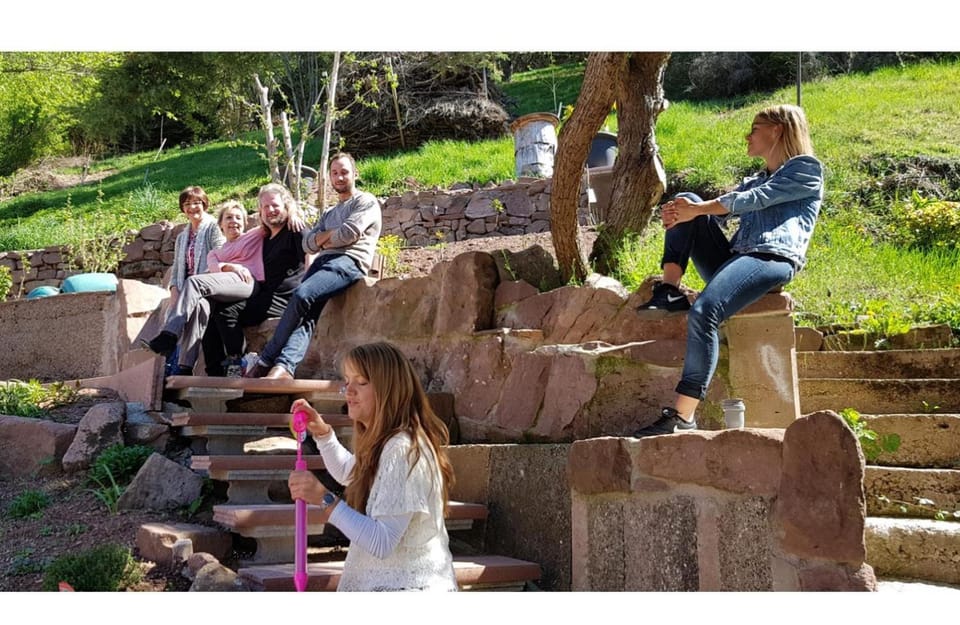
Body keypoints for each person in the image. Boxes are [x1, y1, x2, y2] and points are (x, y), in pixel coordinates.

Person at [633, 104, 823, 437]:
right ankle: (669, 291)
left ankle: (683, 414)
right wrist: (681, 213)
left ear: (777, 130)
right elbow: (723, 208)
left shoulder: (805, 169)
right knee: (686, 199)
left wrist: (696, 210)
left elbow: (757, 199)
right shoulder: (756, 177)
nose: (747, 136)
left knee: (705, 310)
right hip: (735, 258)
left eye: (754, 128)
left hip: (771, 258)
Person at [287, 341, 458, 591]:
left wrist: (324, 499)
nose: (349, 390)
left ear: (390, 390)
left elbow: (382, 541)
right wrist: (323, 435)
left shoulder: (402, 450)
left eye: (362, 381)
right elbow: (351, 473)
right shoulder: (389, 444)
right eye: (347, 380)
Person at [245, 153, 381, 380]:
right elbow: (308, 244)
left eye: (344, 172)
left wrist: (323, 238)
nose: (339, 177)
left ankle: (265, 360)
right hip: (323, 263)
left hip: (349, 262)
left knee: (302, 293)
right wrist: (327, 238)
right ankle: (285, 368)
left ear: (355, 174)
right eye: (335, 173)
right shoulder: (329, 212)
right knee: (307, 315)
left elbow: (348, 234)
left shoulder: (365, 202)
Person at [144, 201, 265, 375]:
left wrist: (294, 214)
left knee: (194, 281)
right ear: (221, 224)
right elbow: (214, 270)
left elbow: (274, 220)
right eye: (229, 217)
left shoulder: (253, 236)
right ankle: (185, 367)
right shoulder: (214, 253)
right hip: (225, 286)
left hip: (248, 282)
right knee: (200, 305)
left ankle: (169, 335)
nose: (234, 221)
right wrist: (229, 266)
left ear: (245, 223)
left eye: (239, 218)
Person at [202, 183, 307, 376]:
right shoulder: (264, 236)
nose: (270, 210)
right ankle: (214, 371)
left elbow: (311, 253)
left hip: (284, 298)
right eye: (265, 207)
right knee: (213, 308)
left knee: (226, 312)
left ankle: (239, 361)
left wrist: (309, 289)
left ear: (285, 205)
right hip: (262, 293)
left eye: (275, 205)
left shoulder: (295, 229)